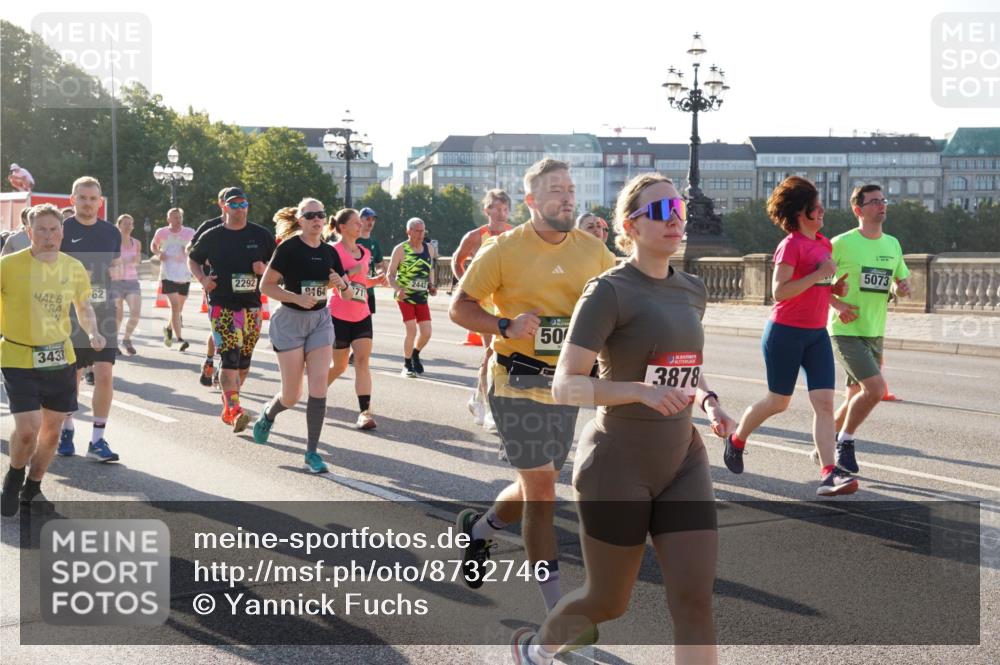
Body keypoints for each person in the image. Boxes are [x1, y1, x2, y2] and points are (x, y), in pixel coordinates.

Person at [511, 173, 734, 665]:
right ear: (629, 226)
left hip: (683, 462)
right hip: (618, 464)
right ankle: (536, 649)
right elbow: (565, 385)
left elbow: (685, 368)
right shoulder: (608, 291)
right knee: (609, 601)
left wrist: (709, 400)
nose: (674, 217)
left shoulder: (692, 289)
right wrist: (639, 392)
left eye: (677, 207)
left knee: (695, 601)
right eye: (658, 211)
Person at [450, 158, 616, 614]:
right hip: (516, 379)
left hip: (566, 386)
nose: (567, 197)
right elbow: (460, 308)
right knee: (543, 489)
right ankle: (556, 608)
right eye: (555, 190)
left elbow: (622, 298)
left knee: (532, 484)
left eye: (570, 189)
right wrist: (504, 322)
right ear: (531, 201)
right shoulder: (502, 249)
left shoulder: (592, 250)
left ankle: (480, 531)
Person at [720, 176, 858, 496]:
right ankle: (737, 439)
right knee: (778, 402)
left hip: (816, 335)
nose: (822, 209)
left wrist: (835, 296)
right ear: (801, 212)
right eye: (816, 206)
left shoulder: (824, 243)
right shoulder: (790, 245)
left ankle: (828, 472)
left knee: (824, 402)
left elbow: (817, 287)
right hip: (785, 333)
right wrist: (817, 275)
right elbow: (780, 292)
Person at [1, 204, 106, 516]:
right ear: (29, 233)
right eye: (42, 230)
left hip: (60, 357)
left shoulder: (73, 267)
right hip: (18, 355)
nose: (49, 236)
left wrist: (94, 332)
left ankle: (32, 488)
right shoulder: (7, 265)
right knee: (27, 430)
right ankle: (14, 474)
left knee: (51, 432)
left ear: (63, 232)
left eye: (54, 229)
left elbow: (83, 306)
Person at [254, 200, 349, 473]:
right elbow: (266, 286)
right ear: (300, 220)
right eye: (310, 216)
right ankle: (268, 415)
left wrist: (342, 285)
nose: (316, 219)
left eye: (320, 215)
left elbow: (346, 293)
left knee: (318, 387)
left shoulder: (330, 252)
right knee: (292, 394)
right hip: (289, 322)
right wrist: (296, 297)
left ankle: (311, 452)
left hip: (320, 321)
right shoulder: (289, 248)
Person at [827, 184, 911, 473]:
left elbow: (898, 285)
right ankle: (845, 443)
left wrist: (903, 287)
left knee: (854, 398)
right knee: (875, 389)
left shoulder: (893, 244)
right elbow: (815, 283)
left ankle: (823, 446)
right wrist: (838, 306)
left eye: (883, 200)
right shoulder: (840, 243)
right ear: (858, 209)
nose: (881, 205)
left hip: (875, 330)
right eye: (874, 201)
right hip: (845, 330)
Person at [187, 188, 276, 433]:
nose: (239, 208)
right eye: (233, 204)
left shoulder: (261, 235)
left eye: (243, 203)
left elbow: (278, 266)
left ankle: (229, 401)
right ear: (224, 207)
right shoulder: (212, 234)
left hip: (252, 305)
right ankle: (234, 409)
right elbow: (192, 258)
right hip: (222, 303)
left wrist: (264, 269)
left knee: (244, 361)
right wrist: (203, 280)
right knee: (230, 357)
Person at [58, 176, 122, 462]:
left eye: (92, 198)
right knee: (72, 375)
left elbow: (116, 270)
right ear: (72, 200)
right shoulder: (61, 230)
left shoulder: (111, 232)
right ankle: (66, 427)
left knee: (105, 373)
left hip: (103, 310)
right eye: (82, 198)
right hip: (69, 313)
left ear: (100, 201)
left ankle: (97, 439)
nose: (87, 203)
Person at [452, 189, 514, 431]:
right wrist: (468, 290)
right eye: (496, 208)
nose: (500, 213)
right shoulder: (476, 236)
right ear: (486, 210)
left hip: (506, 300)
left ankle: (476, 399)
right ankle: (488, 408)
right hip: (483, 303)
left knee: (500, 353)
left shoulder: (514, 234)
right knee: (491, 352)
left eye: (505, 209)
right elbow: (458, 260)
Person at [326, 208, 385, 430]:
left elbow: (361, 282)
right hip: (339, 315)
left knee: (362, 361)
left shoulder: (365, 251)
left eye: (361, 223)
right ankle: (317, 393)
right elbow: (328, 284)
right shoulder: (333, 251)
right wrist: (352, 272)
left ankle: (365, 413)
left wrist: (375, 281)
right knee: (339, 366)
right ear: (342, 227)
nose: (360, 226)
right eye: (356, 223)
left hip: (362, 314)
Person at [188, 188, 232, 387]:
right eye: (225, 200)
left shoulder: (243, 225)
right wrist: (203, 277)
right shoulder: (210, 226)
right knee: (219, 328)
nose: (230, 204)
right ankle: (211, 361)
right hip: (214, 284)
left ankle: (222, 365)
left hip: (239, 287)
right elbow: (191, 251)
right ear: (220, 203)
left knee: (232, 329)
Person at [387, 217, 438, 377]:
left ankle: (415, 354)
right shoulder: (401, 249)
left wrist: (431, 285)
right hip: (405, 296)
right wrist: (398, 288)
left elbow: (429, 269)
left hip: (421, 296)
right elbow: (390, 274)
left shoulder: (429, 248)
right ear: (408, 231)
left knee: (427, 332)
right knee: (411, 330)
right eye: (417, 230)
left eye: (423, 230)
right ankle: (407, 365)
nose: (421, 234)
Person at [151, 207, 196, 351]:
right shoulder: (161, 232)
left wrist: (189, 249)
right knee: (175, 307)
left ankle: (168, 329)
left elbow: (196, 246)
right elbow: (153, 246)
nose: (178, 220)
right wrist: (159, 253)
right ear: (168, 219)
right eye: (175, 217)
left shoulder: (190, 232)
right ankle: (180, 340)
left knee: (178, 310)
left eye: (180, 217)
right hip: (168, 275)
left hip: (184, 274)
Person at [110, 214, 143, 356]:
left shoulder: (136, 243)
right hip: (115, 282)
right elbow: (108, 261)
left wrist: (136, 260)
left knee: (135, 313)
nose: (128, 226)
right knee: (118, 315)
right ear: (118, 226)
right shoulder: (112, 242)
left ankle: (127, 339)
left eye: (130, 224)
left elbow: (138, 261)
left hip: (131, 281)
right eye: (125, 223)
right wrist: (118, 262)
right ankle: (114, 342)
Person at [357, 207, 388, 314]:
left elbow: (380, 264)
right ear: (360, 220)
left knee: (367, 325)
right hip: (353, 289)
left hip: (369, 290)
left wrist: (379, 273)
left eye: (373, 219)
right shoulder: (353, 240)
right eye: (368, 219)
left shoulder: (374, 243)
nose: (371, 222)